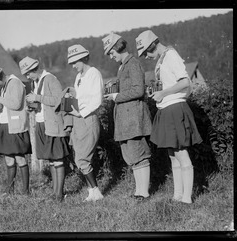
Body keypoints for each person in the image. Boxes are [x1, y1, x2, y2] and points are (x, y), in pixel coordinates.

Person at [135, 30, 203, 204]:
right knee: (173, 155)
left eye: (146, 53)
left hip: (174, 108)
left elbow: (185, 82)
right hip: (166, 109)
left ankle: (187, 198)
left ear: (152, 46)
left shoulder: (171, 55)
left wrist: (164, 92)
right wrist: (159, 93)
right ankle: (177, 195)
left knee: (181, 153)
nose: (146, 57)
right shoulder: (162, 58)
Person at [102, 33, 152, 201]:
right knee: (132, 155)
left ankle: (144, 193)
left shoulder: (133, 64)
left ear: (118, 47)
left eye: (111, 52)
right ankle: (139, 191)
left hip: (134, 119)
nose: (111, 56)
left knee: (139, 155)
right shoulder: (124, 65)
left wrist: (117, 96)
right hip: (127, 119)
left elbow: (139, 90)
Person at [19, 56, 71, 202]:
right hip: (42, 123)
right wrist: (32, 107)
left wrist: (38, 97)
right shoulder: (36, 82)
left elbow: (57, 100)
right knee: (52, 160)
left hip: (53, 124)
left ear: (34, 69)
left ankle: (59, 195)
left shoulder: (50, 79)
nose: (27, 76)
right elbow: (43, 104)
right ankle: (55, 193)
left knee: (58, 159)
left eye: (28, 73)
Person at [0, 65, 32, 197]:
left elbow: (16, 104)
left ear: (0, 76)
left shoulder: (14, 82)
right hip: (6, 125)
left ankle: (25, 192)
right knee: (9, 159)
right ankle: (9, 190)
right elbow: (8, 105)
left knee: (19, 158)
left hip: (15, 126)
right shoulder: (5, 85)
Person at [66, 44, 104, 202]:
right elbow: (81, 97)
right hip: (77, 120)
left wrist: (81, 113)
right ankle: (91, 191)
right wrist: (72, 94)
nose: (73, 66)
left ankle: (97, 191)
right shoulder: (79, 77)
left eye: (75, 62)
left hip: (88, 119)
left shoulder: (94, 73)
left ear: (82, 59)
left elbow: (97, 99)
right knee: (78, 158)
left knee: (83, 158)